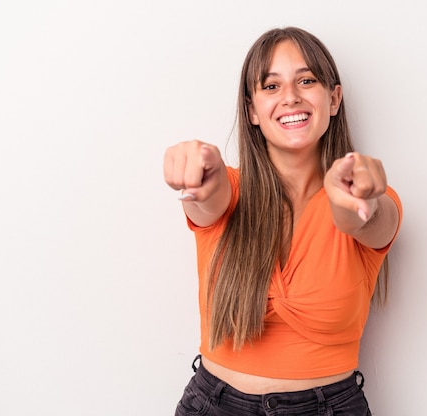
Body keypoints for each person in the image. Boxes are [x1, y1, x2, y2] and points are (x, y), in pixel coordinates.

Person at [164, 26, 402, 416]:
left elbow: (364, 219)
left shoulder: (371, 198)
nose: (290, 96)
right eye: (270, 86)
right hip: (214, 405)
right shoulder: (230, 190)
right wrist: (199, 168)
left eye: (306, 80)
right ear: (252, 111)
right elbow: (208, 198)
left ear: (334, 99)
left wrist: (360, 198)